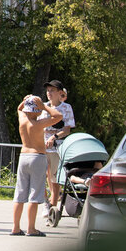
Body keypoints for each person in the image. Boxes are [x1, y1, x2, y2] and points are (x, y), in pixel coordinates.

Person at [11, 95, 62, 237]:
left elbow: (19, 109)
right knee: (34, 194)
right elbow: (58, 116)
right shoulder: (38, 123)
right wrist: (44, 106)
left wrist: (25, 100)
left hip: (23, 157)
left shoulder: (22, 120)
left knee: (19, 194)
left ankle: (15, 228)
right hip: (37, 157)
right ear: (36, 111)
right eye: (38, 110)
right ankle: (31, 228)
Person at [40, 79, 75, 223]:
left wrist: (54, 137)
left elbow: (67, 129)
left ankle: (53, 208)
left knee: (54, 178)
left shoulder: (66, 108)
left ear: (60, 93)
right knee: (41, 176)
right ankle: (45, 202)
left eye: (52, 90)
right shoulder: (43, 106)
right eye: (48, 90)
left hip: (57, 146)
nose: (49, 93)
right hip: (42, 145)